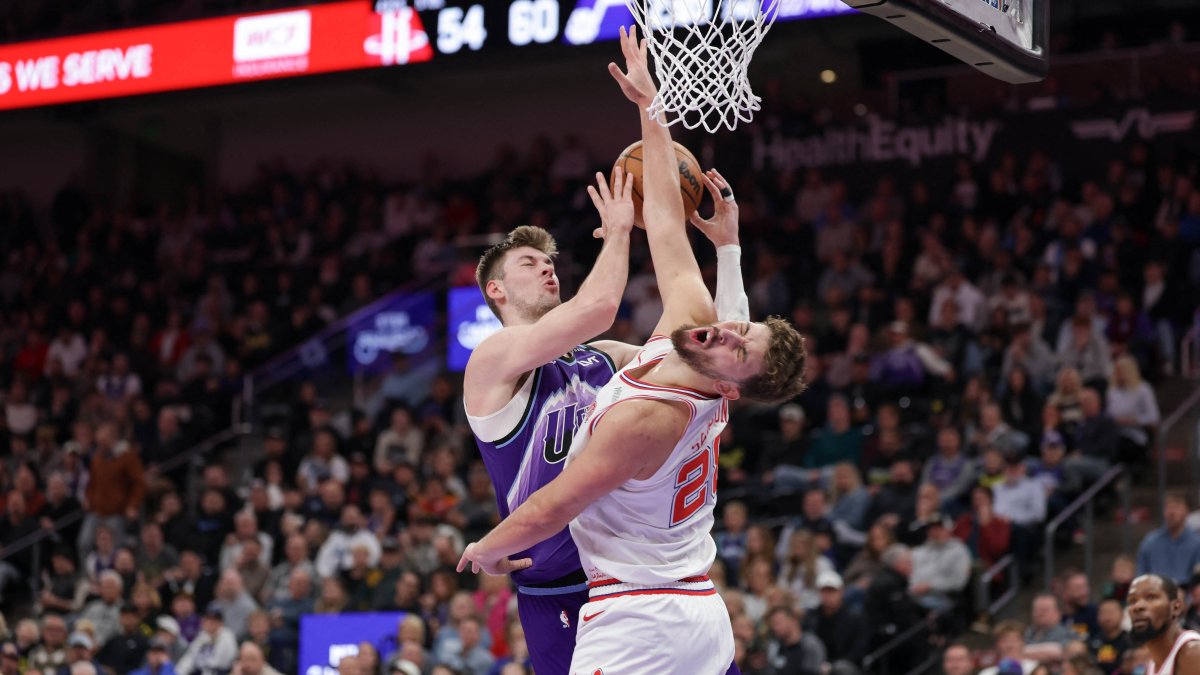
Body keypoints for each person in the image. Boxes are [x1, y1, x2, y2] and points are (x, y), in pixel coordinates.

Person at [458, 25, 806, 675]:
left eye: (547, 259)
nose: (727, 331)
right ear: (495, 291)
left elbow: (558, 500)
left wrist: (619, 229)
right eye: (529, 263)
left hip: (638, 605)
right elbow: (676, 239)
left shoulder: (633, 386)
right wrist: (653, 107)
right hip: (589, 588)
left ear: (729, 386)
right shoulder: (503, 360)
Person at [1125, 574, 1200, 675]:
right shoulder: (1151, 665)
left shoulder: (1193, 653)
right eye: (1132, 600)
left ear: (1176, 607)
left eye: (1150, 597)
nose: (1137, 606)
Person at [1136, 492, 1200, 587]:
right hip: (1155, 590)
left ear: (1187, 512)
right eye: (1168, 508)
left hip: (1187, 590)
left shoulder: (1197, 542)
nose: (1171, 512)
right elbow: (1141, 575)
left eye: (1176, 507)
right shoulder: (1150, 541)